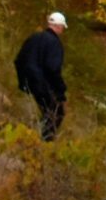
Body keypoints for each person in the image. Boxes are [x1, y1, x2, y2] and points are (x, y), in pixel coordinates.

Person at [14, 11, 68, 141]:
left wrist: (23, 80)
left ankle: (35, 137)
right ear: (59, 26)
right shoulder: (54, 43)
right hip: (41, 83)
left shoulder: (34, 37)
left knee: (46, 111)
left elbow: (19, 59)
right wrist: (61, 90)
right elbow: (53, 69)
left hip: (29, 80)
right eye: (62, 28)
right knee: (56, 113)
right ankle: (44, 142)